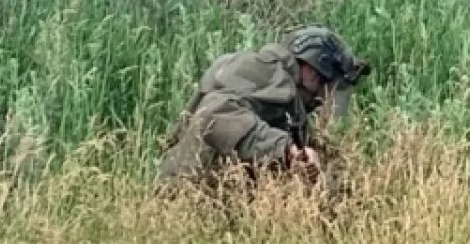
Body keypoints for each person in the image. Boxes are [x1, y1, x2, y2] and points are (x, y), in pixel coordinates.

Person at [155, 25, 370, 191]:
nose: (327, 98)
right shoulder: (269, 74)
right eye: (331, 87)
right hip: (191, 199)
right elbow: (214, 113)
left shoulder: (288, 98)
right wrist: (283, 149)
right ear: (313, 74)